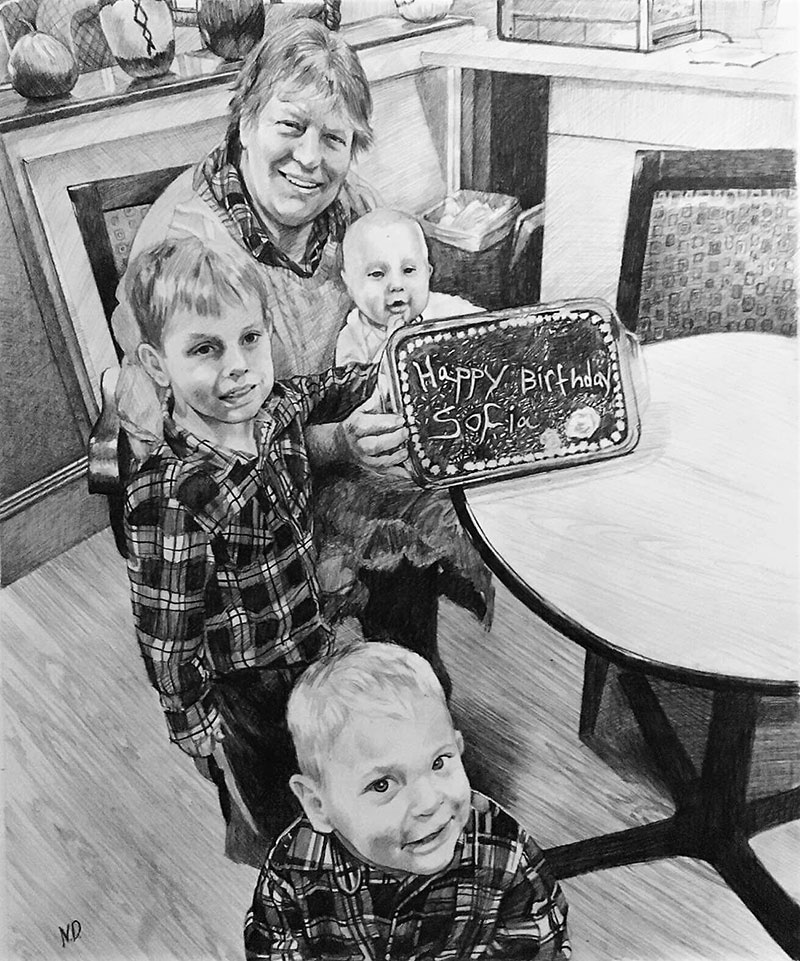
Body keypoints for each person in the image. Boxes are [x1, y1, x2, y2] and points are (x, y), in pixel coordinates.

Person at [110, 16, 493, 701]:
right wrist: (335, 442)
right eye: (291, 126)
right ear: (247, 119)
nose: (311, 159)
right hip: (255, 520)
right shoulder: (186, 252)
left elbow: (403, 314)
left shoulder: (355, 210)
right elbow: (175, 446)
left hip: (362, 458)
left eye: (335, 138)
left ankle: (405, 692)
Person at [122, 235, 378, 860]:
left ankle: (341, 838)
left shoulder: (274, 410)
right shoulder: (172, 494)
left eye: (250, 339)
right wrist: (188, 713)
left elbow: (327, 388)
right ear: (158, 366)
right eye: (205, 349)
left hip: (308, 634)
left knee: (324, 760)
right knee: (268, 793)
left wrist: (397, 365)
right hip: (246, 678)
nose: (237, 366)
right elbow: (167, 626)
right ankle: (286, 871)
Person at [244, 641, 572, 960]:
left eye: (439, 763)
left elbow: (541, 945)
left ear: (458, 748)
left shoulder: (506, 853)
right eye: (383, 784)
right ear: (318, 805)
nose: (428, 803)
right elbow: (271, 947)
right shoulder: (293, 869)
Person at [335, 208, 478, 407]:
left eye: (409, 270)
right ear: (349, 284)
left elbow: (489, 333)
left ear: (428, 273)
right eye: (377, 274)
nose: (396, 284)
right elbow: (362, 404)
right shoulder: (352, 339)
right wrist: (393, 346)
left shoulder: (449, 309)